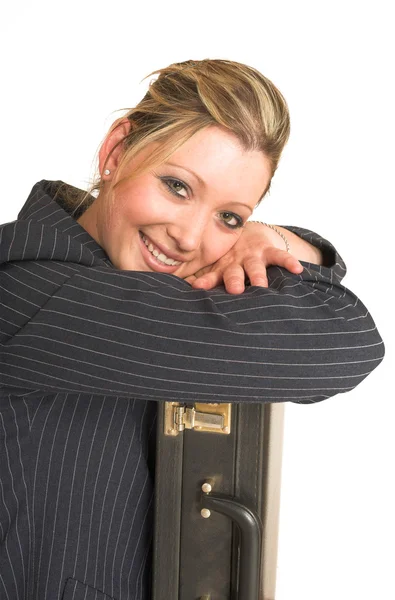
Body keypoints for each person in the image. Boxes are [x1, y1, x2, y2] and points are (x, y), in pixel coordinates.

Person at [0, 59, 384, 600]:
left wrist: (265, 235)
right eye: (177, 186)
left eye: (228, 216)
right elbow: (346, 342)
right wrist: (272, 241)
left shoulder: (121, 282)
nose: (189, 238)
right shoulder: (32, 290)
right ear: (116, 153)